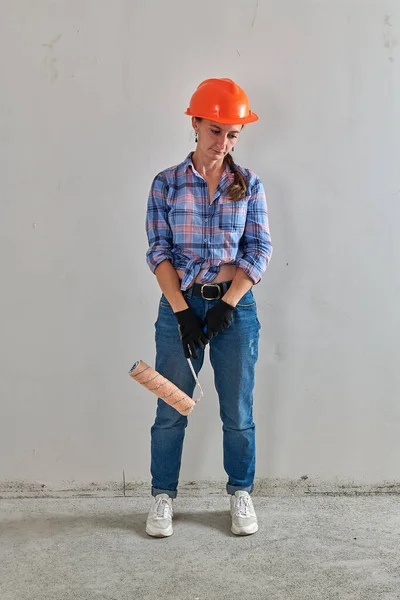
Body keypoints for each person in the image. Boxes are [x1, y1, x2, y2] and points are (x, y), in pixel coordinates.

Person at [144, 78, 272, 537]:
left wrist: (229, 304)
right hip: (180, 304)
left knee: (237, 410)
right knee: (171, 406)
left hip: (235, 311)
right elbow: (158, 252)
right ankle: (163, 496)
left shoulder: (249, 185)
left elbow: (258, 250)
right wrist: (181, 312)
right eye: (215, 130)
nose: (223, 142)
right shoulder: (166, 184)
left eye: (233, 134)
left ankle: (240, 492)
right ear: (195, 123)